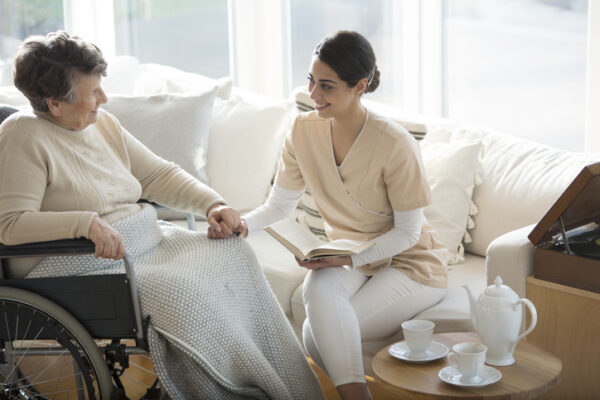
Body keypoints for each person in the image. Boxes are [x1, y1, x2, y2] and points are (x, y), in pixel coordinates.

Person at [0, 31, 324, 400]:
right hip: (79, 264)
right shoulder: (22, 136)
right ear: (54, 103)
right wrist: (84, 223)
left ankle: (284, 388)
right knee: (185, 293)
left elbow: (155, 174)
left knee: (232, 253)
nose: (103, 99)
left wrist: (212, 204)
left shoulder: (101, 124)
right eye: (93, 93)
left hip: (138, 243)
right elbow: (10, 224)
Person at [228, 31, 448, 400]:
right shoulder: (301, 131)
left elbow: (409, 233)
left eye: (327, 87)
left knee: (318, 335)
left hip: (411, 263)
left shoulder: (395, 144)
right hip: (351, 255)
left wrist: (349, 257)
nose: (313, 95)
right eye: (311, 81)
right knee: (317, 286)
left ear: (359, 86)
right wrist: (243, 224)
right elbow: (281, 205)